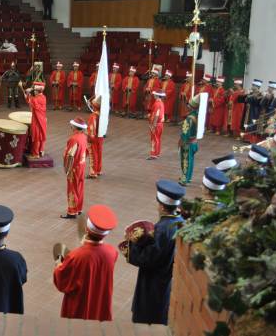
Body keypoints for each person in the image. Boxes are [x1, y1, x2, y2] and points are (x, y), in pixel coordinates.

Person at [128, 180, 185, 325]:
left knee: (151, 310)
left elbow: (146, 259)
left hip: (154, 279)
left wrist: (131, 244)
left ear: (162, 206)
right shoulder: (180, 221)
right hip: (168, 274)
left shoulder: (162, 229)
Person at [53, 204, 118, 320]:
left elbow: (62, 282)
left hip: (79, 307)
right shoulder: (112, 252)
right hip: (99, 304)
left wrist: (58, 264)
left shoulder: (76, 256)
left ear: (87, 230)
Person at [62, 118, 88, 219]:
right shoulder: (84, 137)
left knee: (72, 188)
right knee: (80, 187)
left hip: (74, 168)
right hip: (81, 165)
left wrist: (67, 169)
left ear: (75, 127)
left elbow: (70, 155)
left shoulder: (74, 139)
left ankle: (72, 211)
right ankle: (79, 209)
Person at [179, 94, 201, 186]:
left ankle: (184, 179)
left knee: (185, 161)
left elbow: (185, 133)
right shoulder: (198, 116)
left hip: (187, 143)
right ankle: (189, 177)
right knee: (190, 161)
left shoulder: (189, 119)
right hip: (194, 142)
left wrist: (181, 142)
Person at [23, 81, 47, 158]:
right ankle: (40, 150)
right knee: (40, 136)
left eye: (35, 90)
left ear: (38, 91)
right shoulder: (42, 97)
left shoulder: (38, 98)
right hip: (40, 119)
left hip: (38, 120)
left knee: (37, 137)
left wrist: (28, 93)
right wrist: (28, 94)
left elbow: (32, 102)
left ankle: (36, 154)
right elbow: (30, 101)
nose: (34, 92)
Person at [87, 96, 103, 179]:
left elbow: (91, 128)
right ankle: (98, 170)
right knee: (99, 153)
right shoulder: (102, 114)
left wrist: (89, 137)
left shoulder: (93, 116)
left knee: (93, 154)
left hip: (94, 137)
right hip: (100, 137)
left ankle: (93, 172)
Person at [148, 90, 166, 160]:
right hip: (160, 124)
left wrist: (153, 125)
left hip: (156, 124)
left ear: (157, 96)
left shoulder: (157, 104)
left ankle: (153, 154)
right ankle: (157, 153)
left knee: (154, 139)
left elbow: (156, 115)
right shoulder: (161, 103)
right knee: (158, 138)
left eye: (155, 95)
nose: (154, 96)